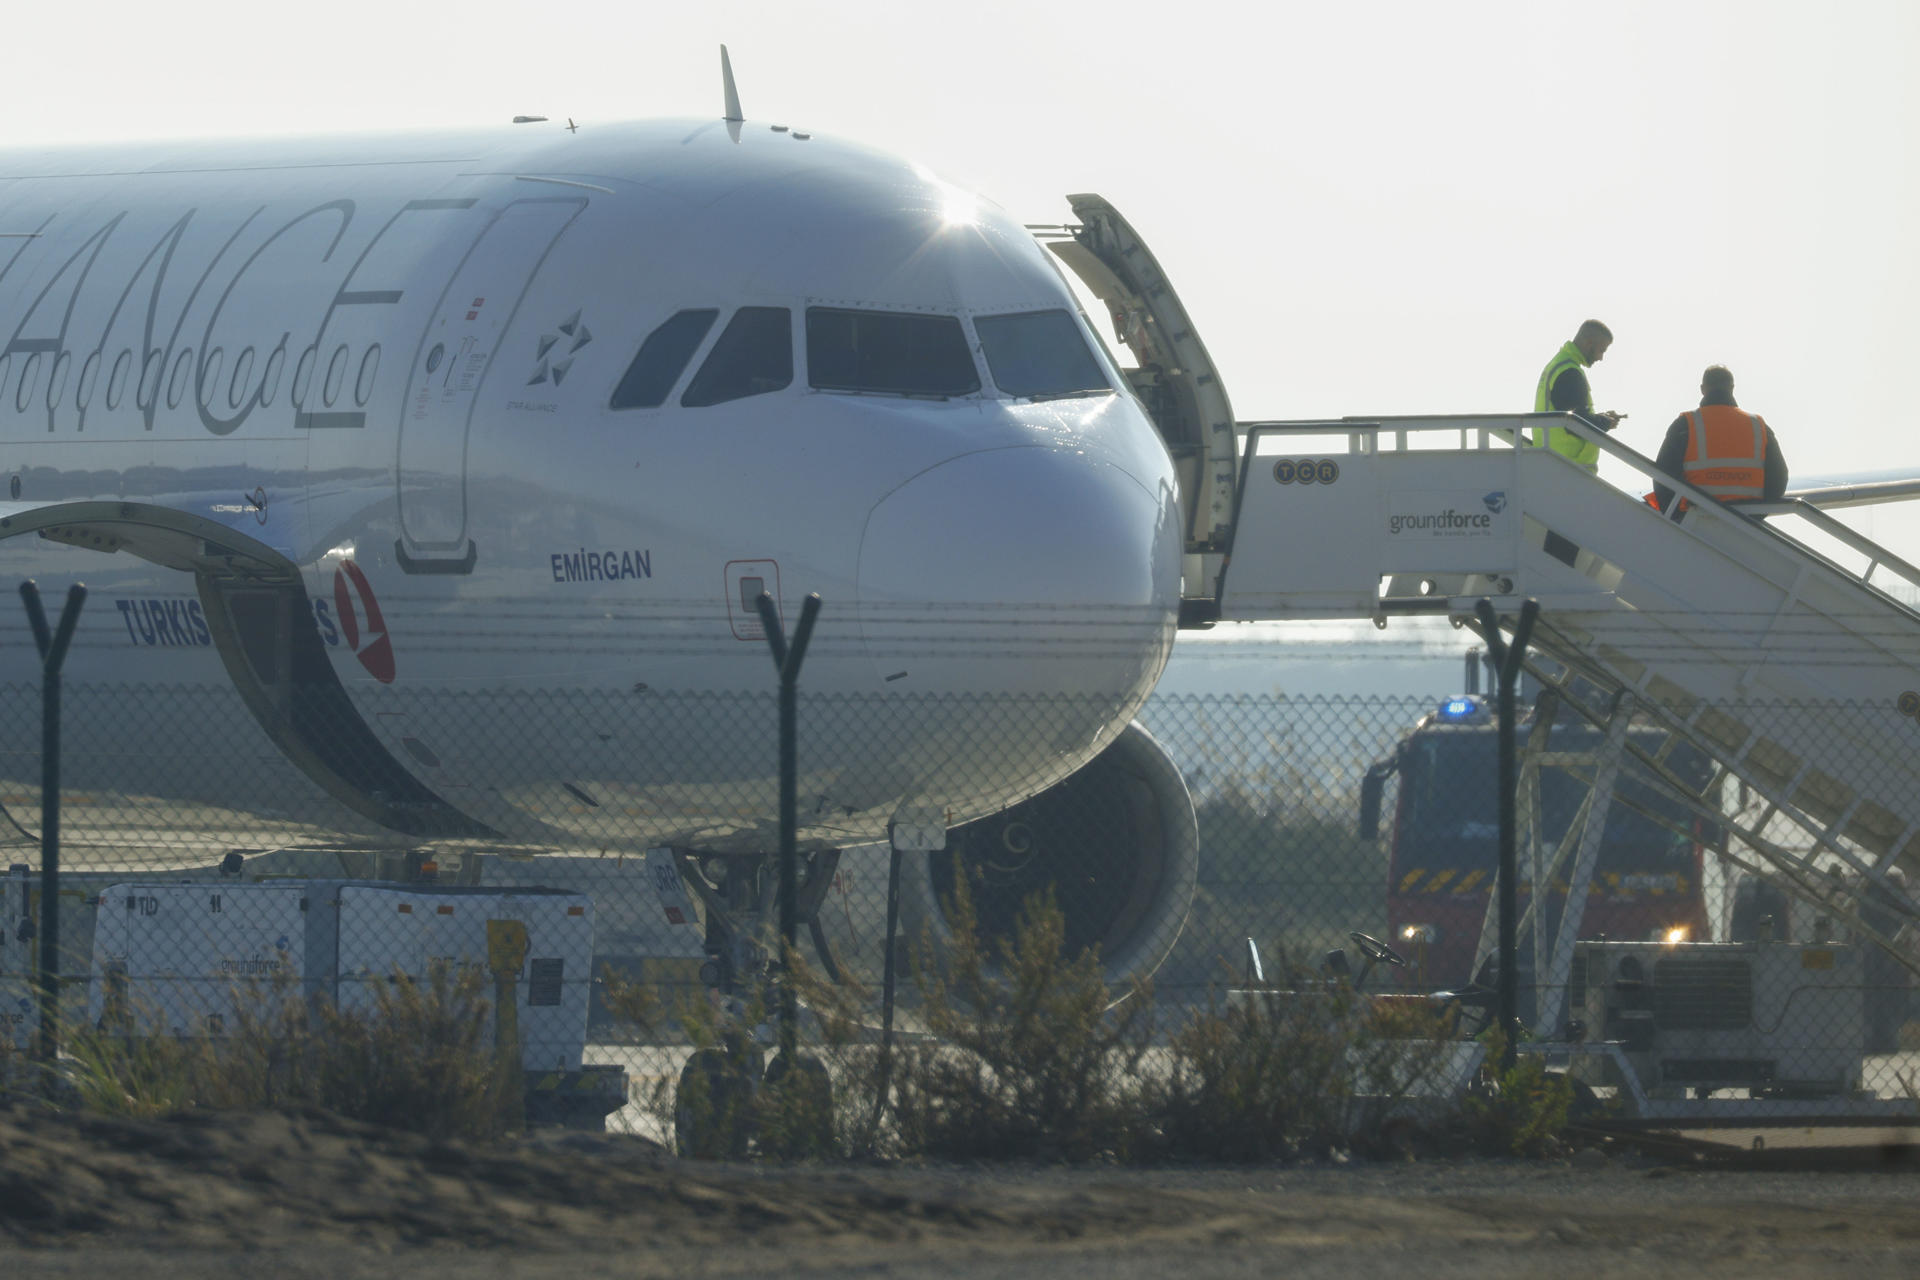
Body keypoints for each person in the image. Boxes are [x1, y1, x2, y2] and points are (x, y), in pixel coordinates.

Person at [1651, 365, 1787, 514]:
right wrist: (1759, 513)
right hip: (1747, 518)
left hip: (1696, 518)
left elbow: (1663, 475)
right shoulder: (1758, 426)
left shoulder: (1686, 424)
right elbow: (1779, 478)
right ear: (1732, 388)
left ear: (1703, 389)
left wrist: (1675, 515)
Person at [1532, 319, 1621, 470]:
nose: (1601, 358)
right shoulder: (1569, 372)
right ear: (1589, 343)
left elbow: (1570, 414)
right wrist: (1605, 422)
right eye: (1601, 350)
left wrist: (1601, 418)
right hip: (1568, 465)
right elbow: (1575, 423)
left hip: (1552, 460)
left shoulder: (1559, 365)